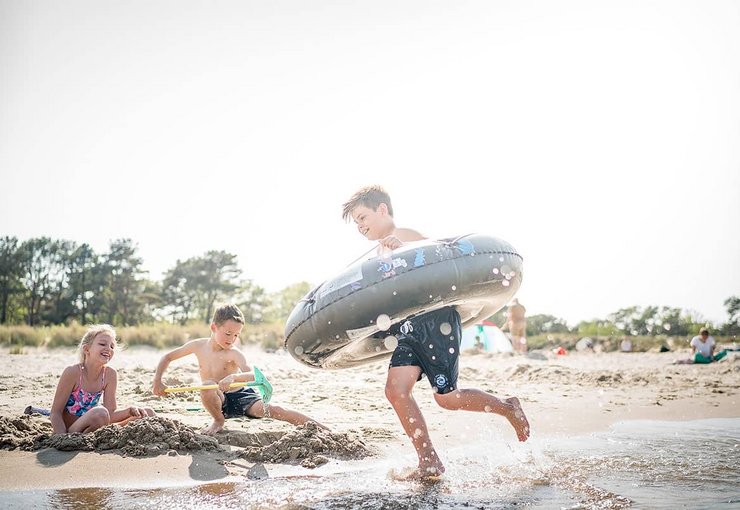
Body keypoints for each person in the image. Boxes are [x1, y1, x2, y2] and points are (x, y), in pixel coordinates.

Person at [341, 185, 530, 479]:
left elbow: (440, 259)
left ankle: (508, 408)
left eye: (363, 217)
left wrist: (402, 247)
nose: (360, 226)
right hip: (407, 327)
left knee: (447, 398)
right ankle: (428, 459)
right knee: (395, 390)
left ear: (382, 210)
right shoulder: (379, 249)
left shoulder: (405, 234)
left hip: (435, 321)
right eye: (356, 222)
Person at [153, 303, 325, 435]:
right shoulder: (197, 346)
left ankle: (322, 429)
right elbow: (167, 357)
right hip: (217, 398)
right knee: (207, 385)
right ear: (214, 328)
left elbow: (253, 376)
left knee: (276, 411)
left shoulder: (234, 354)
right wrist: (157, 381)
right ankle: (218, 421)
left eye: (236, 335)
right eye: (228, 334)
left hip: (242, 396)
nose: (232, 339)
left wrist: (233, 378)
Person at [50, 324, 155, 434]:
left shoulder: (109, 374)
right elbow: (55, 413)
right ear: (86, 349)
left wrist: (129, 411)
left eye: (112, 346)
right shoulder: (73, 372)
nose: (108, 348)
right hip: (72, 431)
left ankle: (108, 435)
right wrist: (61, 437)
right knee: (100, 413)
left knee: (148, 413)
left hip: (98, 427)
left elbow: (110, 413)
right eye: (102, 344)